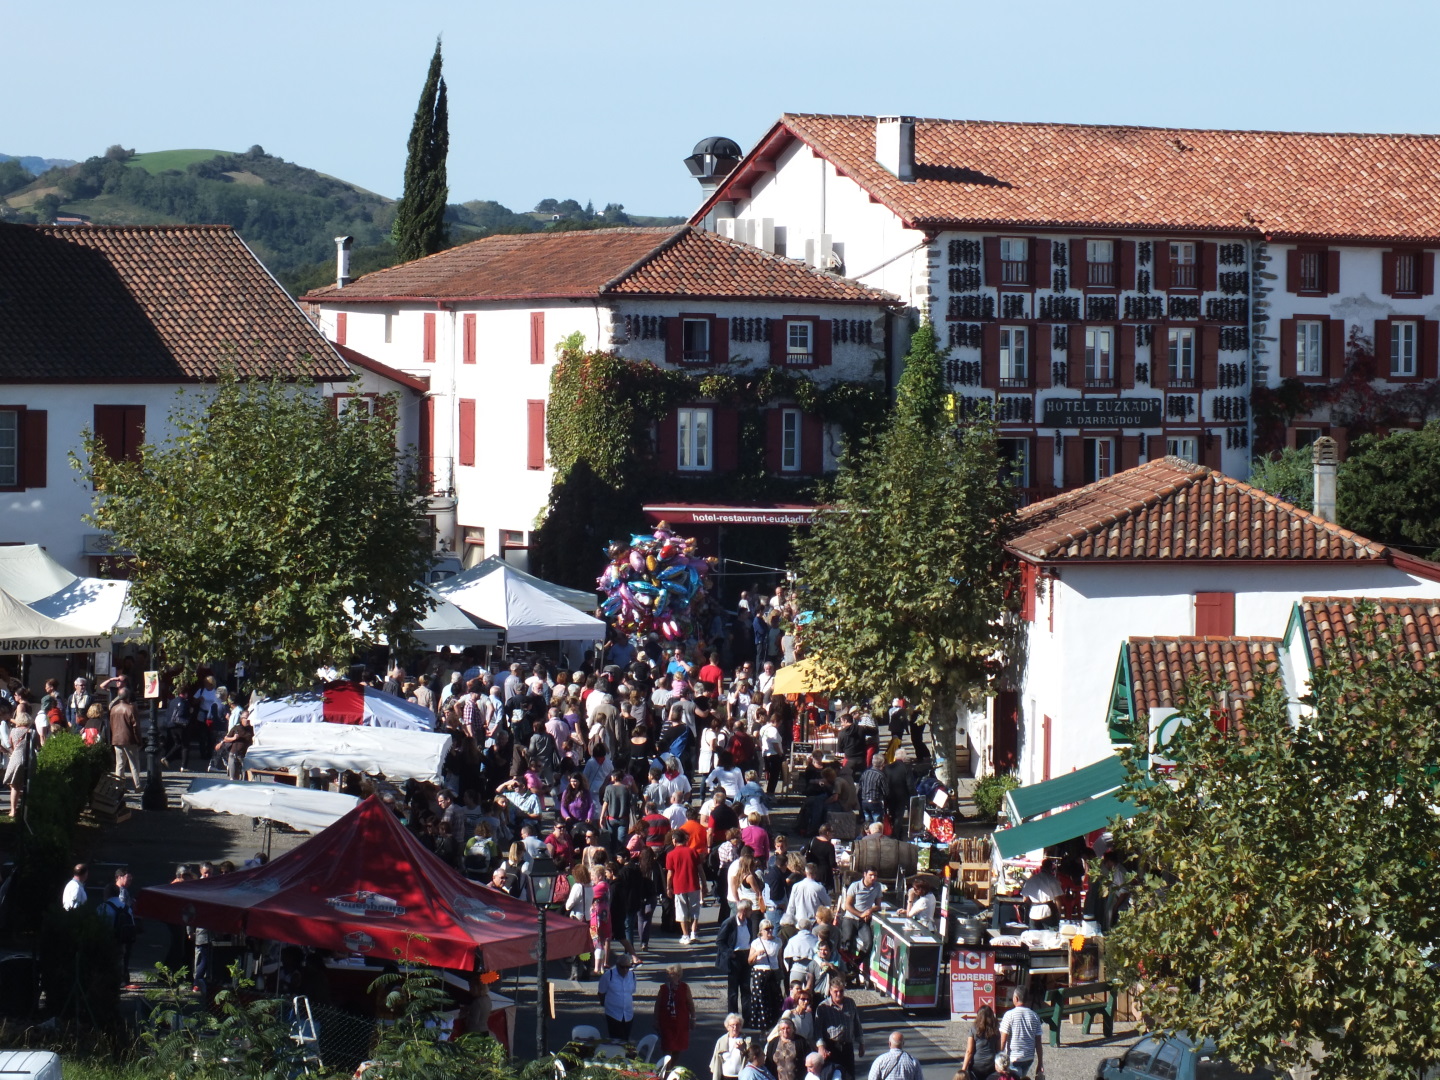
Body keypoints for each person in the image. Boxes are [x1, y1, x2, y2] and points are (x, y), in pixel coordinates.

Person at [815, 978, 863, 1080]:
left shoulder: (850, 1003)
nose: (838, 994)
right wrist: (821, 1047)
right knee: (833, 1076)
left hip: (847, 1046)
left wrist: (861, 1043)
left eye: (841, 991)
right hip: (832, 1047)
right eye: (836, 991)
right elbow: (818, 1029)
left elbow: (856, 1023)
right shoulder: (823, 1007)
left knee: (849, 1076)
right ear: (830, 991)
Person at [716, 899, 758, 1014]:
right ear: (744, 911)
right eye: (750, 910)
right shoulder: (729, 923)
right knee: (733, 991)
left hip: (746, 956)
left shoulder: (748, 922)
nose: (752, 912)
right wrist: (730, 953)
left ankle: (747, 1017)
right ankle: (733, 1016)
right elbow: (720, 941)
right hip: (735, 958)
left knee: (746, 988)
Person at [101, 868, 139, 987]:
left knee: (124, 954)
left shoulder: (126, 892)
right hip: (118, 927)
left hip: (122, 928)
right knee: (119, 954)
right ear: (119, 877)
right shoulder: (115, 891)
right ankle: (119, 978)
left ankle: (122, 977)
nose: (130, 881)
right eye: (128, 878)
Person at [665, 828, 704, 944]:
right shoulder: (692, 852)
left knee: (682, 911)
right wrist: (704, 885)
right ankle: (693, 933)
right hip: (694, 884)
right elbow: (700, 870)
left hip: (679, 886)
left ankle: (685, 935)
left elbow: (670, 873)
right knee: (694, 910)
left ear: (674, 840)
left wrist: (668, 887)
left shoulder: (671, 854)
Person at [839, 868, 882, 971]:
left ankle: (854, 965)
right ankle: (844, 967)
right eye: (871, 875)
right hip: (850, 918)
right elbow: (847, 905)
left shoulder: (877, 886)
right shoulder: (855, 886)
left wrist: (870, 910)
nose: (873, 878)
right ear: (864, 874)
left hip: (863, 921)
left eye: (875, 876)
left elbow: (878, 905)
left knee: (869, 943)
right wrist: (860, 914)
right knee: (847, 942)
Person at [746, 918, 783, 1031]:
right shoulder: (756, 943)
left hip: (773, 971)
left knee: (775, 998)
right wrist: (757, 953)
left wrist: (781, 970)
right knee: (761, 999)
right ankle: (762, 1026)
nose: (770, 931)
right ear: (761, 931)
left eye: (771, 928)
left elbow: (779, 957)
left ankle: (775, 1024)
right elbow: (749, 960)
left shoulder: (778, 941)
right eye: (767, 929)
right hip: (760, 972)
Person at [997, 988, 1044, 1077]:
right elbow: (1038, 1042)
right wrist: (1040, 1062)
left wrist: (998, 1058)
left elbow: (1003, 1040)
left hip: (1014, 1058)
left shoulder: (1009, 1015)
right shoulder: (1034, 1016)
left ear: (1016, 998)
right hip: (1028, 1057)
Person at [654, 963, 695, 1056]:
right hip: (666, 1023)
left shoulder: (684, 988)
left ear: (678, 975)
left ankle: (671, 1067)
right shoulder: (663, 988)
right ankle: (666, 1069)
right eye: (667, 974)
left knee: (678, 1047)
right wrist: (656, 1020)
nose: (669, 976)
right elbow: (658, 1005)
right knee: (667, 1047)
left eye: (671, 974)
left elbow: (690, 1004)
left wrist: (693, 1019)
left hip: (681, 1023)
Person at [596, 951, 637, 1039]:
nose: (625, 969)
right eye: (623, 967)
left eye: (628, 967)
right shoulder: (608, 975)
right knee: (615, 1039)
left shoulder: (632, 976)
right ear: (617, 965)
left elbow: (632, 991)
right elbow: (601, 992)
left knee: (625, 1039)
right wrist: (604, 1004)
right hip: (613, 1013)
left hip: (628, 1014)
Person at [109, 689, 142, 790]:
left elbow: (111, 724)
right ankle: (137, 785)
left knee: (120, 764)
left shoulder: (113, 709)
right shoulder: (131, 708)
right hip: (129, 739)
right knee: (134, 763)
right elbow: (135, 727)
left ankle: (118, 786)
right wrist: (139, 740)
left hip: (116, 739)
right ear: (128, 697)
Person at [766, 1012, 813, 1080]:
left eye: (788, 1028)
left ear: (793, 1029)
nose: (785, 1031)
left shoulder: (801, 1042)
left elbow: (808, 1061)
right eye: (783, 1029)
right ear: (779, 1030)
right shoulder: (773, 1043)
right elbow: (768, 1064)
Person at [960, 1004, 1000, 1080]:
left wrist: (963, 1069)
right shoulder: (996, 1030)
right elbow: (998, 1050)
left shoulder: (974, 1029)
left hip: (976, 1066)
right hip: (991, 1064)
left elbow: (969, 1051)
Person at [1019, 861, 1063, 929]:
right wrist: (1059, 913)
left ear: (1041, 867)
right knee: (1050, 934)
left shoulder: (1031, 880)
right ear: (1051, 868)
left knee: (1034, 936)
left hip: (1034, 911)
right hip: (1048, 910)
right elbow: (1058, 900)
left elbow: (1025, 899)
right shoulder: (1052, 880)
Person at [711, 1013, 748, 1080]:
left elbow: (752, 1059)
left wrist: (743, 1050)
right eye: (732, 1025)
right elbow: (715, 1061)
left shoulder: (746, 1041)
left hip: (741, 1077)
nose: (735, 1028)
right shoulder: (721, 1041)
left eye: (737, 1025)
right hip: (725, 1076)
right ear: (727, 1027)